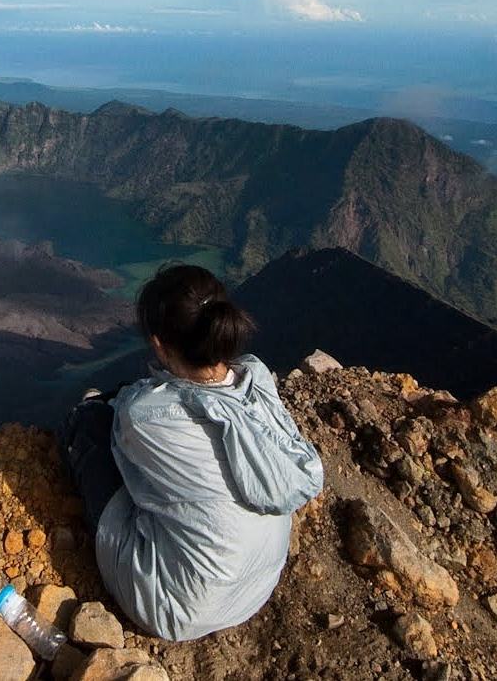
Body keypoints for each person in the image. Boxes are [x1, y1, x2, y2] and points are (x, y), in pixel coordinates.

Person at [59, 263, 324, 641]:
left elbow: (126, 439)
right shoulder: (258, 379)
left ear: (158, 345)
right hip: (257, 586)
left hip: (176, 607)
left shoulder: (147, 415)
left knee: (88, 424)